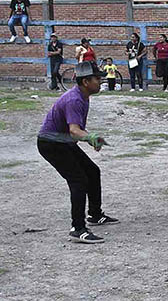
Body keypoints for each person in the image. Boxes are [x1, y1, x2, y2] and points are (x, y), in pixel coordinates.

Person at [36, 61, 119, 244]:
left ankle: (95, 215)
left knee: (92, 171)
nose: (100, 81)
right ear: (85, 81)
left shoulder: (83, 96)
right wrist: (90, 138)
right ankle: (78, 228)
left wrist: (90, 138)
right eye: (97, 78)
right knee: (78, 180)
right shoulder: (74, 99)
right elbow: (74, 130)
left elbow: (75, 130)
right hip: (51, 144)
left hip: (63, 141)